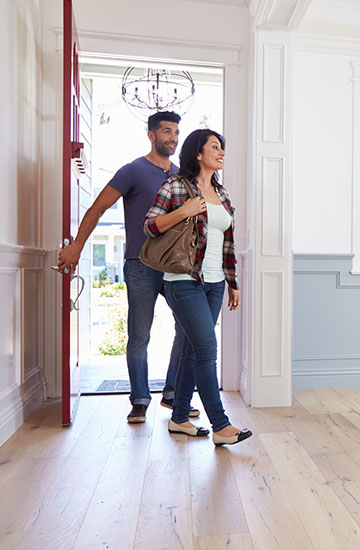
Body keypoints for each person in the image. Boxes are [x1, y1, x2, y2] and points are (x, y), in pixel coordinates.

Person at [57, 111, 199, 423]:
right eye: (166, 131)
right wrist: (78, 245)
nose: (173, 138)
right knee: (139, 335)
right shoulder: (133, 171)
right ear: (151, 135)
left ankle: (174, 393)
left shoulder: (181, 176)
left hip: (176, 268)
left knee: (188, 329)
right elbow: (97, 208)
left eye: (176, 132)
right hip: (140, 264)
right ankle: (139, 399)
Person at [143, 128, 252, 446]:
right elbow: (149, 225)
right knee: (206, 350)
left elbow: (228, 242)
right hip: (184, 281)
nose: (221, 153)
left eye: (223, 147)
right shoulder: (176, 186)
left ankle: (179, 419)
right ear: (198, 153)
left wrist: (233, 283)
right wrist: (183, 210)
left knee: (192, 350)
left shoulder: (223, 193)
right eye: (215, 147)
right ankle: (220, 426)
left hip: (216, 283)